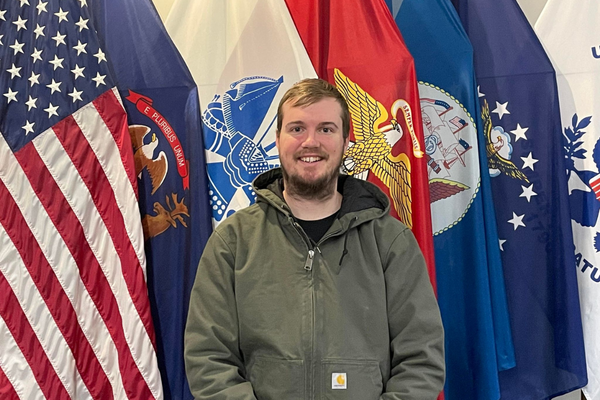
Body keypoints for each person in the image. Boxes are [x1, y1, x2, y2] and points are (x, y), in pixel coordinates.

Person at [184, 78, 445, 400]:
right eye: (296, 129)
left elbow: (422, 358)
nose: (311, 141)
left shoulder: (391, 241)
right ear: (278, 140)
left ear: (346, 141)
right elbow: (208, 357)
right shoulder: (234, 241)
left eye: (326, 129)